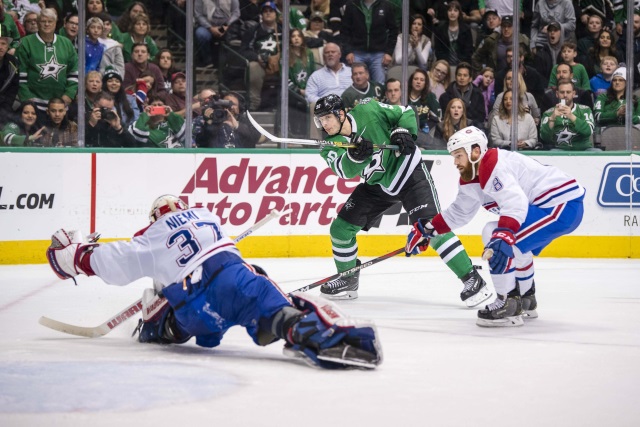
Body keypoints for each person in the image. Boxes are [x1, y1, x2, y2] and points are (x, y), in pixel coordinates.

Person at [45, 195, 382, 369]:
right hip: (234, 282)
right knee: (267, 290)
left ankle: (158, 328)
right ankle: (312, 336)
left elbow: (109, 262)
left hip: (194, 308)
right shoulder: (208, 216)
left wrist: (71, 255)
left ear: (154, 217)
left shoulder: (149, 236)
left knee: (170, 296)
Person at [312, 94, 490, 307]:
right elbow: (343, 170)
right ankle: (348, 278)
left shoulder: (368, 109)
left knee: (430, 226)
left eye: (327, 118)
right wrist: (356, 156)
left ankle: (472, 278)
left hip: (408, 173)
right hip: (377, 185)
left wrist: (403, 132)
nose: (324, 124)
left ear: (341, 114)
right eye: (320, 120)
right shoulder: (329, 144)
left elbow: (405, 112)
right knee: (340, 229)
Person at [405, 126, 585, 326]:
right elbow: (459, 213)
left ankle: (507, 304)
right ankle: (526, 299)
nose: (455, 162)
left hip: (559, 205)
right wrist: (428, 229)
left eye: (458, 156)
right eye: (453, 157)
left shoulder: (492, 163)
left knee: (495, 235)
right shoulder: (471, 177)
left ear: (475, 151)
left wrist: (504, 234)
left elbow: (515, 203)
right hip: (557, 205)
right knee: (512, 242)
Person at [16, 8, 78, 117]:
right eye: (43, 21)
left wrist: (69, 95)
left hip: (60, 107)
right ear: (38, 23)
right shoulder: (26, 43)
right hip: (33, 107)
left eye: (50, 21)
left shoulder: (67, 44)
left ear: (55, 23)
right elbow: (20, 74)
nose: (46, 24)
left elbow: (74, 72)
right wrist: (27, 99)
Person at [340, 0, 397, 86]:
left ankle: (377, 100)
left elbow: (393, 31)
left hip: (379, 54)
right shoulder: (352, 5)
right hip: (356, 52)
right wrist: (348, 51)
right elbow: (344, 31)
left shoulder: (385, 5)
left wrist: (389, 52)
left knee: (379, 85)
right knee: (356, 84)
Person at [239, 1, 282, 111]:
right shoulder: (253, 30)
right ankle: (254, 102)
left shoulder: (283, 30)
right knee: (253, 67)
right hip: (260, 63)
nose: (268, 13)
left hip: (279, 63)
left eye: (271, 11)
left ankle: (285, 102)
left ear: (276, 14)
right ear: (261, 15)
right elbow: (244, 50)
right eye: (265, 11)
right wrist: (257, 57)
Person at [540, 79, 596, 151]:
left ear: (573, 94)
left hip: (584, 149)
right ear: (557, 94)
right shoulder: (548, 113)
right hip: (559, 150)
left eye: (568, 92)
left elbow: (588, 132)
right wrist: (552, 119)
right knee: (553, 152)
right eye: (562, 92)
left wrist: (571, 116)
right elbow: (544, 137)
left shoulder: (585, 110)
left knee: (597, 152)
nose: (565, 95)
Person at [194, 0, 240, 68]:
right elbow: (198, 15)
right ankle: (207, 60)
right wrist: (210, 28)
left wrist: (225, 26)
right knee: (201, 34)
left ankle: (227, 64)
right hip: (207, 26)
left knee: (234, 37)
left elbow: (236, 13)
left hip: (227, 26)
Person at [439, 62, 487, 127]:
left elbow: (480, 117)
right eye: (459, 75)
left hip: (472, 129)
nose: (462, 78)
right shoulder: (445, 97)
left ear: (470, 78)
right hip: (450, 128)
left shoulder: (478, 95)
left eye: (465, 75)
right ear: (455, 77)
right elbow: (444, 117)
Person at [433, 1, 473, 67]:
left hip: (462, 65)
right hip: (444, 65)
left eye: (455, 10)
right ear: (447, 12)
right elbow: (438, 51)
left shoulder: (466, 29)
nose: (452, 13)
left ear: (459, 13)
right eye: (450, 10)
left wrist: (461, 66)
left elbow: (468, 52)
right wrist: (445, 65)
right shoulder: (440, 29)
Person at [408, 68, 442, 146]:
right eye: (416, 79)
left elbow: (437, 117)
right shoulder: (403, 95)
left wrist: (427, 127)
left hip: (423, 133)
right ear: (411, 81)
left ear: (425, 83)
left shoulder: (430, 97)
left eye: (422, 80)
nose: (418, 82)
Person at [287, 28, 316, 97]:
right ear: (290, 39)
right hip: (292, 93)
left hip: (309, 91)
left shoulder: (309, 53)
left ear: (302, 39)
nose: (296, 38)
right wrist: (298, 90)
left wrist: (310, 90)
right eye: (293, 36)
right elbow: (284, 78)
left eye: (299, 36)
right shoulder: (285, 55)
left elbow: (313, 73)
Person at [97, 12, 125, 79]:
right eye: (103, 24)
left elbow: (120, 66)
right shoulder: (90, 41)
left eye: (108, 24)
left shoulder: (115, 45)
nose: (105, 27)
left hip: (108, 78)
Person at [0, 24, 18, 121]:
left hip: (3, 105)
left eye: (3, 44)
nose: (0, 47)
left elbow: (13, 88)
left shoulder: (13, 62)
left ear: (7, 46)